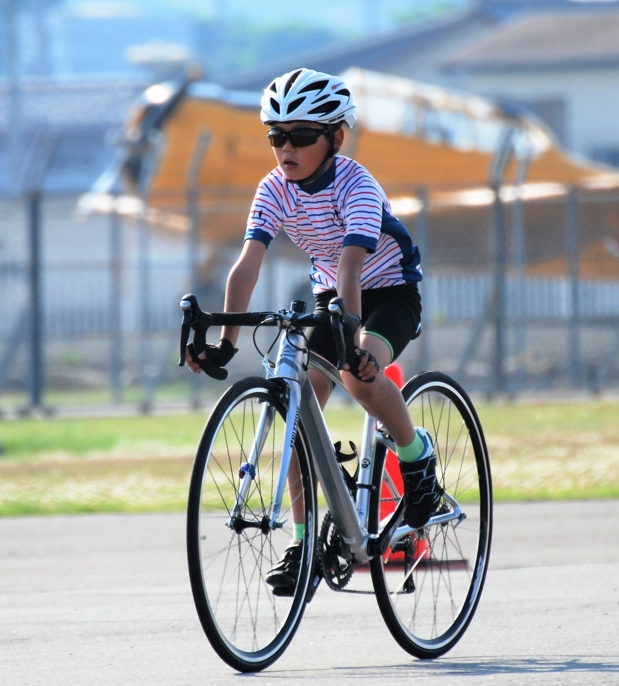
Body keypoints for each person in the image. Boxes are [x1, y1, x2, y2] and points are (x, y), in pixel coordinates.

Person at [185, 68, 441, 595]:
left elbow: (351, 269)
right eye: (275, 136)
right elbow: (247, 265)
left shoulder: (356, 184)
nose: (286, 148)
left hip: (389, 291)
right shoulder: (274, 188)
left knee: (362, 376)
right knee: (299, 411)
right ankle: (304, 545)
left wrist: (352, 347)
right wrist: (227, 343)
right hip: (332, 296)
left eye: (301, 135)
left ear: (335, 138)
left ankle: (417, 457)